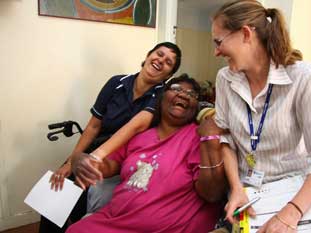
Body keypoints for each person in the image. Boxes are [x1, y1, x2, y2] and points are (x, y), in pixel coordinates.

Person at [210, 1, 311, 233]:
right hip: (249, 195)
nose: (216, 52)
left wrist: (289, 215)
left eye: (219, 42)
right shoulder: (225, 79)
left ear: (246, 33)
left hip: (299, 195)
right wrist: (237, 188)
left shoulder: (304, 77)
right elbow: (226, 139)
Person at [39, 42, 182, 233]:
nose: (160, 61)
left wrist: (94, 159)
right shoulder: (116, 83)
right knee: (53, 197)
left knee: (78, 204)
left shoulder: (162, 96)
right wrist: (71, 161)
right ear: (148, 55)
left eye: (168, 62)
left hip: (120, 163)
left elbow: (136, 127)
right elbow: (93, 126)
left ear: (168, 75)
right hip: (94, 153)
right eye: (159, 54)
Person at [67, 74, 226, 233]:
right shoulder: (139, 136)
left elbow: (212, 194)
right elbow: (106, 166)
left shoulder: (196, 137)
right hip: (116, 220)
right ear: (161, 98)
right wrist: (80, 159)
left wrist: (210, 140)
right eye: (176, 89)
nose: (184, 94)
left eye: (192, 94)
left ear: (195, 106)